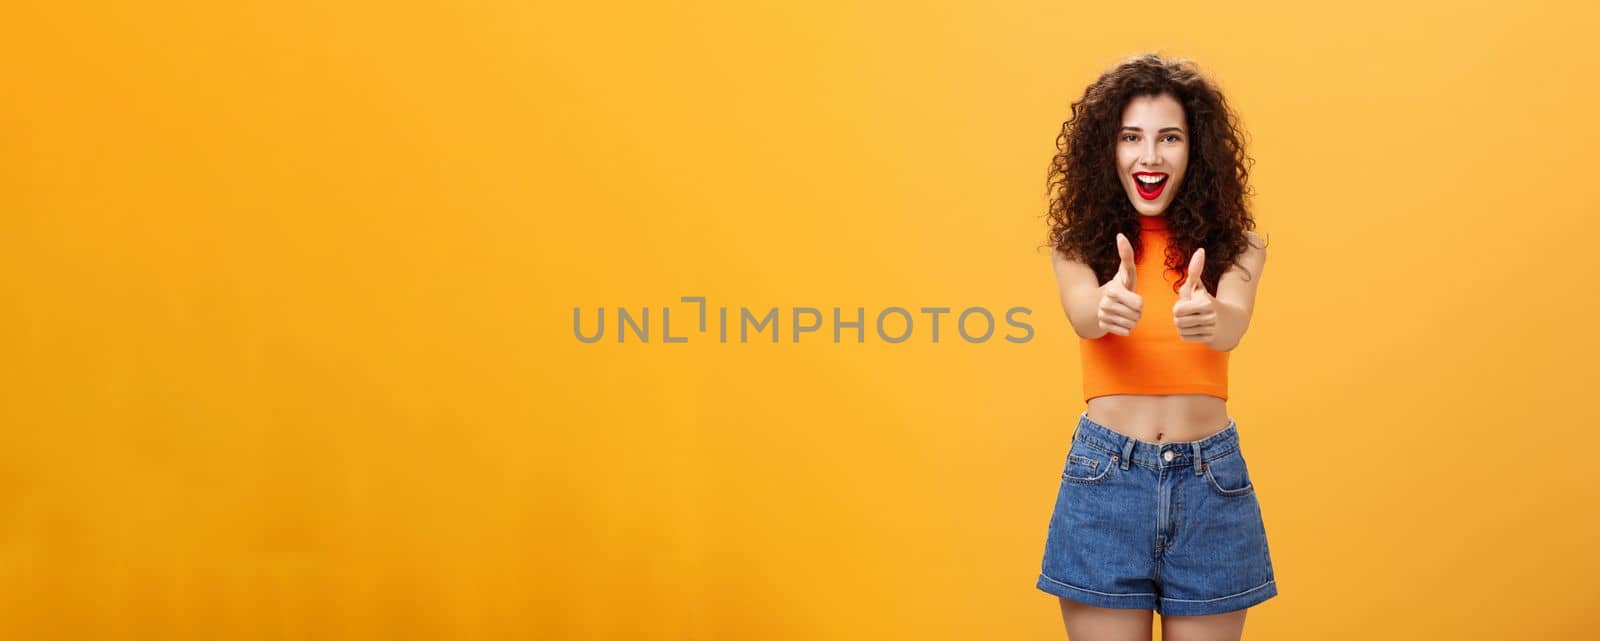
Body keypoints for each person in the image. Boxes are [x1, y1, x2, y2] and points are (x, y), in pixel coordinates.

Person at [1034, 52, 1274, 641]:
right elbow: (1083, 315)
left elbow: (1234, 322)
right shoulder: (1077, 244)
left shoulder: (1238, 245)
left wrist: (1208, 315)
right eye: (1131, 138)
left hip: (1211, 485)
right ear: (1107, 151)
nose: (1149, 155)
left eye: (1169, 137)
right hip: (1105, 481)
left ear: (1196, 151)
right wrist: (1106, 306)